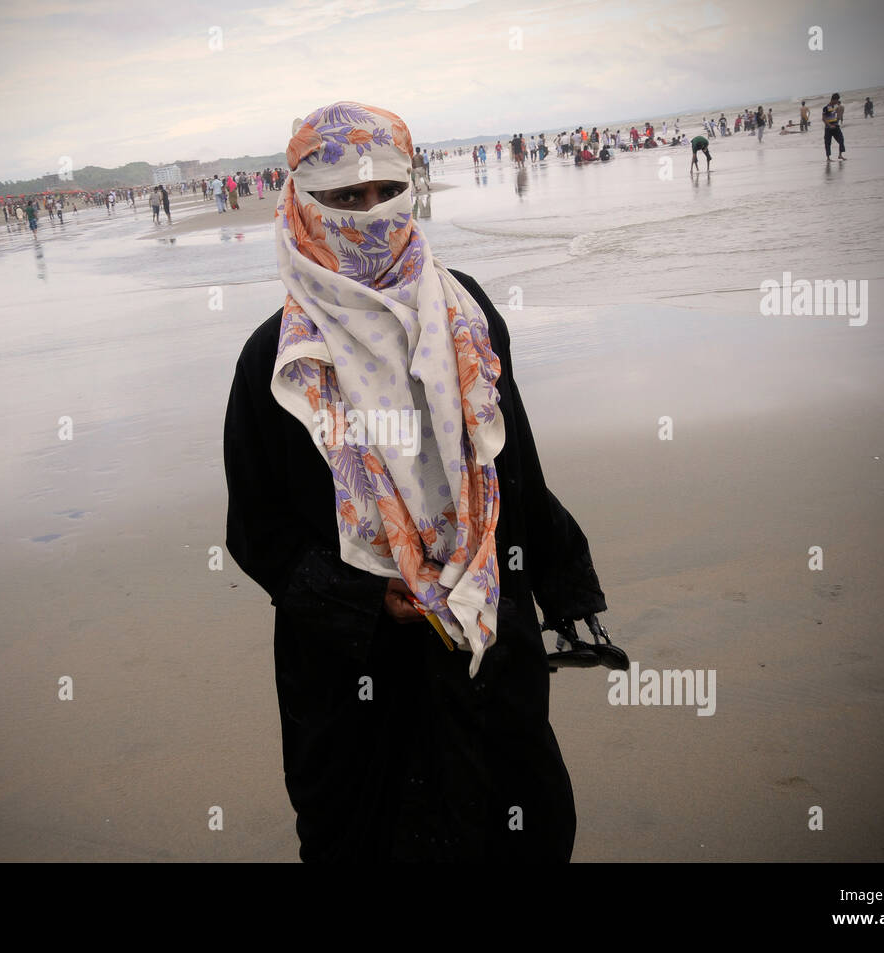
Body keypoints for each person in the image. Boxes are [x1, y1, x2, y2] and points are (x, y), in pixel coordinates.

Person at [224, 101, 610, 862]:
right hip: (353, 678)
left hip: (482, 639)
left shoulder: (466, 313)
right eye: (344, 198)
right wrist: (368, 599)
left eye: (385, 192)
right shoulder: (277, 361)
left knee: (518, 827)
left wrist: (564, 584)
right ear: (301, 202)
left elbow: (515, 466)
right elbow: (256, 533)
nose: (370, 214)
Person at [822, 92, 846, 160]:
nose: (837, 101)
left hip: (836, 126)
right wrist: (829, 125)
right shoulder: (825, 108)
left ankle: (840, 155)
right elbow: (823, 118)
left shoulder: (835, 107)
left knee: (841, 140)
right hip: (828, 128)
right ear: (833, 99)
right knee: (827, 143)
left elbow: (837, 115)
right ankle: (828, 158)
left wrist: (839, 118)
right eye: (837, 100)